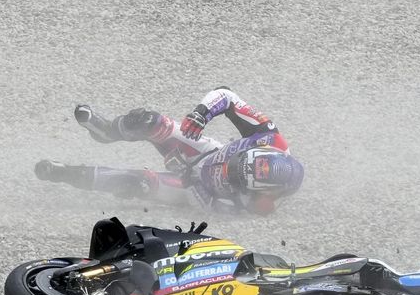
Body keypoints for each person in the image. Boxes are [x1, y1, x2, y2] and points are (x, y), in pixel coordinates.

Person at [36, 87, 305, 215]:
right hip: (206, 152)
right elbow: (227, 96)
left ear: (264, 192)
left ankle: (67, 173)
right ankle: (107, 130)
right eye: (236, 162)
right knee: (149, 120)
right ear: (260, 148)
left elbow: (210, 208)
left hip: (196, 187)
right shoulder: (269, 136)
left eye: (234, 176)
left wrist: (189, 178)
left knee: (140, 183)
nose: (228, 169)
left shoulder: (262, 205)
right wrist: (202, 113)